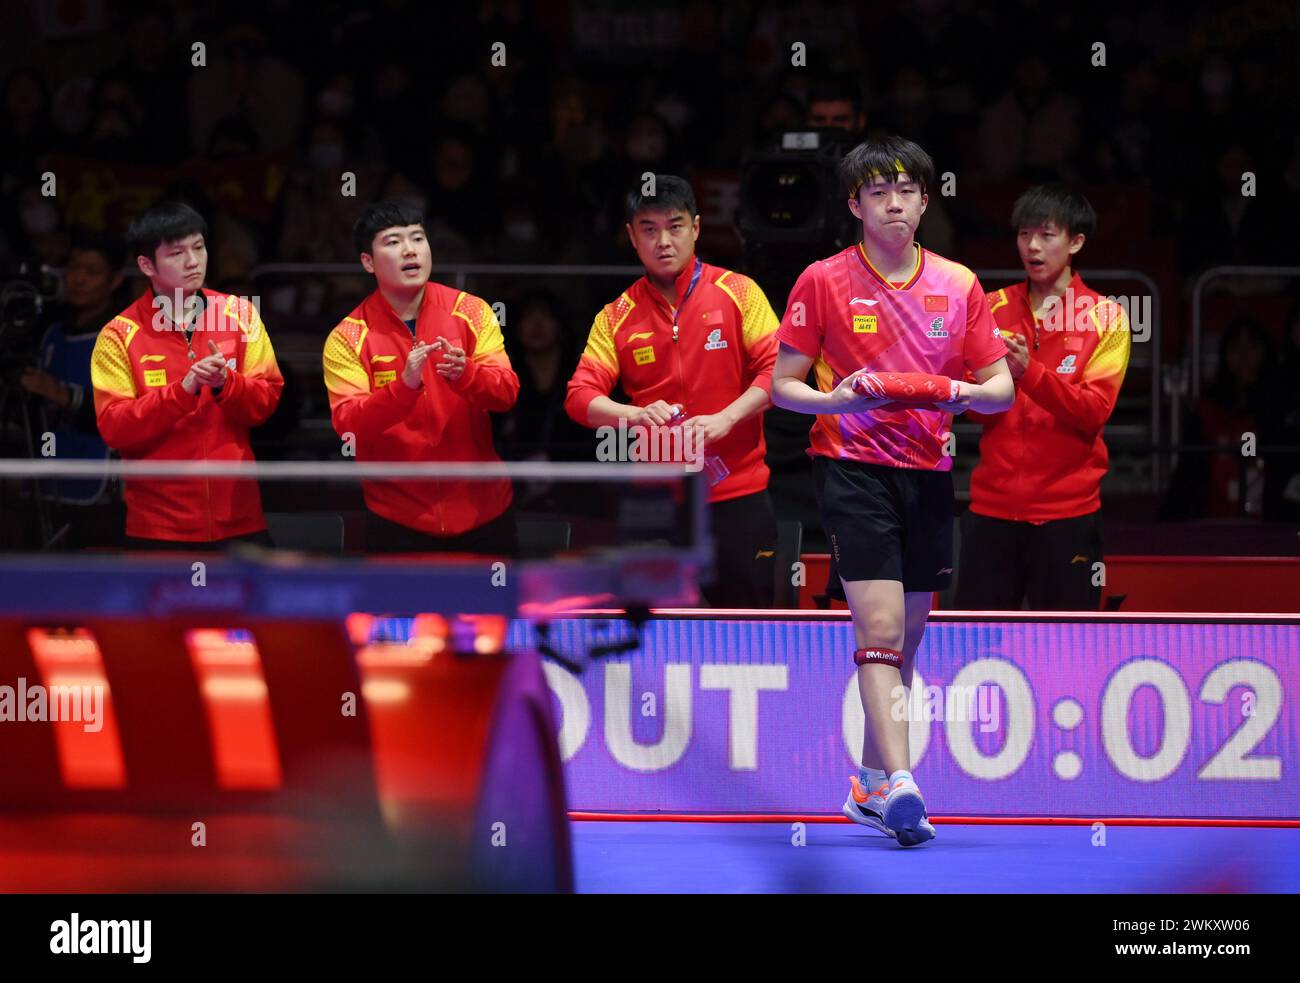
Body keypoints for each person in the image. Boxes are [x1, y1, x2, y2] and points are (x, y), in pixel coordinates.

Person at [770, 136, 1013, 845]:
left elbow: (999, 391)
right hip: (852, 469)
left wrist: (955, 392)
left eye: (906, 190)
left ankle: (870, 788)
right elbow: (784, 386)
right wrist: (837, 403)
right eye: (878, 192)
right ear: (854, 204)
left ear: (926, 199)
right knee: (877, 633)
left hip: (930, 473)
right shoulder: (822, 280)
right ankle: (906, 784)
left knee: (905, 645)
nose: (895, 202)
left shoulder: (958, 283)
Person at [565, 174, 781, 608]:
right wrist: (633, 415)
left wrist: (728, 418)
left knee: (748, 627)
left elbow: (778, 374)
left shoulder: (738, 292)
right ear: (631, 236)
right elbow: (579, 396)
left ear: (696, 228)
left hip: (736, 494)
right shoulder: (616, 316)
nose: (663, 240)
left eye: (675, 226)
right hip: (656, 503)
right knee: (658, 630)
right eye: (649, 229)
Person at [956, 186, 1131, 610]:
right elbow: (970, 405)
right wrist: (995, 380)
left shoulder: (1106, 318)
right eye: (1024, 234)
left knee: (1065, 649)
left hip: (1067, 516)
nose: (1032, 246)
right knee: (976, 649)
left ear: (1075, 242)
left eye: (1047, 235)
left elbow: (1093, 412)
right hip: (991, 512)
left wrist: (1028, 374)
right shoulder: (992, 308)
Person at [322, 198, 520, 554]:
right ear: (368, 262)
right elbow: (348, 426)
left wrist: (468, 375)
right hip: (397, 520)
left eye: (417, 238)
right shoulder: (347, 337)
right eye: (393, 242)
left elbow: (506, 393)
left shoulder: (471, 311)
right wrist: (403, 387)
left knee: (492, 612)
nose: (410, 250)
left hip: (484, 512)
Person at [90, 200, 283, 547]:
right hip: (158, 527)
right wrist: (183, 392)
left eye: (199, 247)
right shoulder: (118, 335)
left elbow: (266, 402)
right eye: (177, 253)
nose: (193, 261)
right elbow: (115, 428)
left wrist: (228, 384)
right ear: (147, 264)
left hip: (238, 518)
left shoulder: (241, 314)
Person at [22, 228, 125, 507]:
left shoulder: (124, 337)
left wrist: (62, 394)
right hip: (45, 479)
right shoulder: (52, 333)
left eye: (92, 272)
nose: (78, 279)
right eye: (73, 268)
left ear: (114, 280)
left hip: (100, 486)